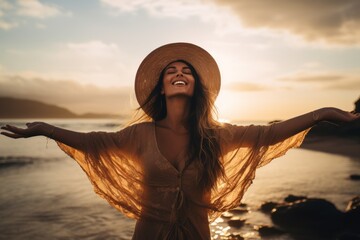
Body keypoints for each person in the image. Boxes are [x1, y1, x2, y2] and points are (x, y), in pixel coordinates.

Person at [1, 42, 359, 240]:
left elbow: (267, 134)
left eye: (186, 70)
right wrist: (46, 130)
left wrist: (321, 112)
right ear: (160, 87)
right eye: (171, 71)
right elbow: (94, 143)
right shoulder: (139, 135)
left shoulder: (219, 135)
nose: (179, 74)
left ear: (196, 86)